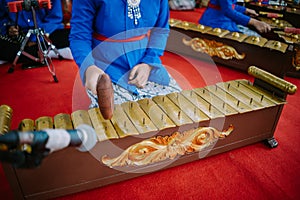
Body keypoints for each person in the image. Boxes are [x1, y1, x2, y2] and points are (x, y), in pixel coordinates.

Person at [69, 0, 182, 106]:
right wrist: (89, 67)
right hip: (106, 64)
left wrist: (148, 64)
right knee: (123, 119)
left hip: (145, 60)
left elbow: (161, 30)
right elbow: (80, 36)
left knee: (177, 106)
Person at [0, 0, 72, 64]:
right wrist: (9, 27)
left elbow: (54, 19)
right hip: (19, 37)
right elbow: (2, 18)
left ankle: (24, 56)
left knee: (70, 35)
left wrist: (35, 39)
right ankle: (43, 54)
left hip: (45, 34)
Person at [199, 0, 272, 36]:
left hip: (224, 19)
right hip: (216, 22)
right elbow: (228, 10)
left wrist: (245, 10)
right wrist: (254, 22)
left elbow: (231, 5)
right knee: (256, 36)